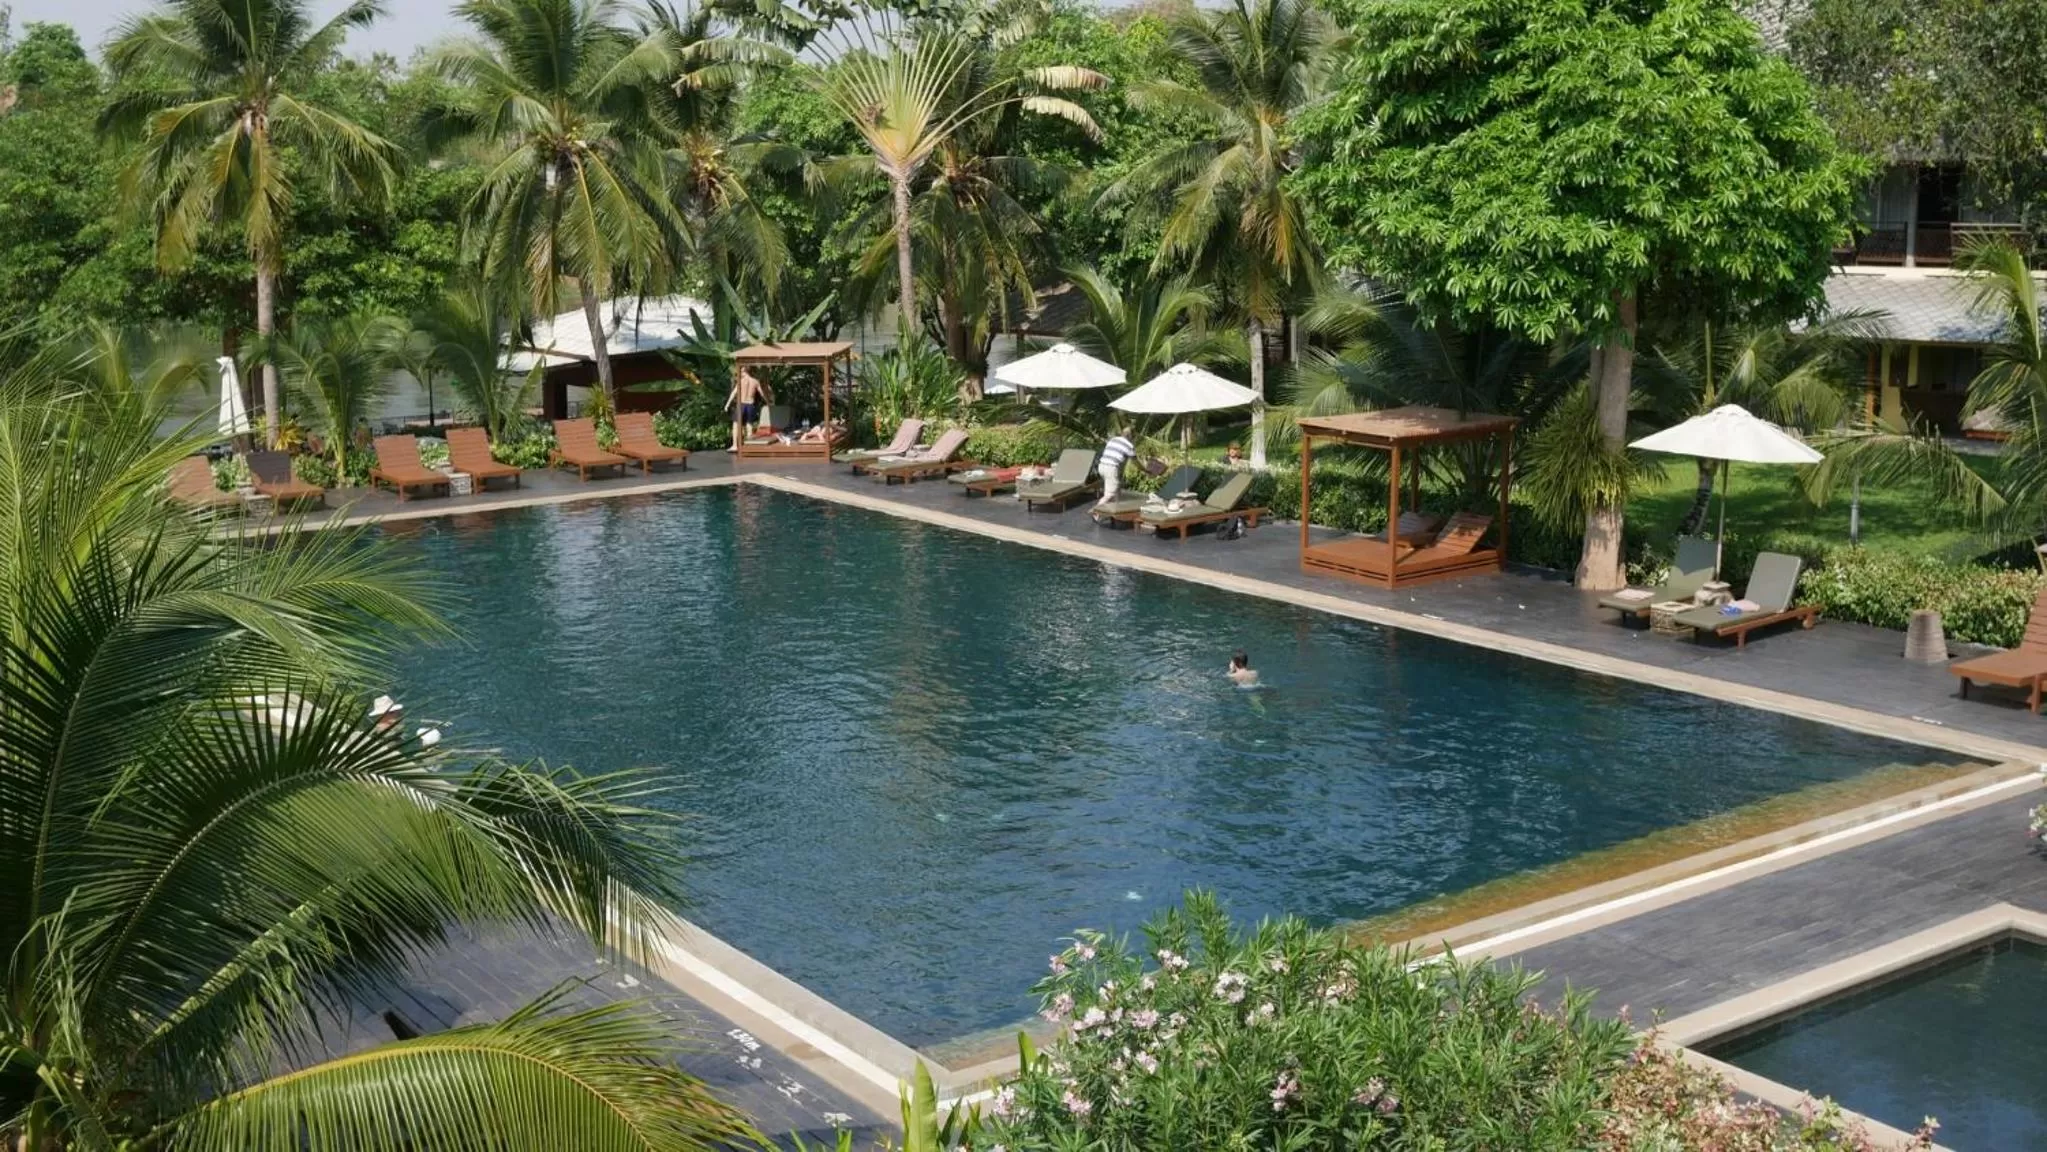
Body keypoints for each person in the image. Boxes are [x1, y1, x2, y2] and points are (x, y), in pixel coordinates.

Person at [726, 367, 772, 451]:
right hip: (751, 405)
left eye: (741, 371)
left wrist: (727, 404)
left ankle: (735, 446)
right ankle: (749, 446)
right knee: (749, 425)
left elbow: (734, 393)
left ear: (744, 371)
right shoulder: (755, 381)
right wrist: (768, 402)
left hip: (741, 404)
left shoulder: (741, 381)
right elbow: (762, 394)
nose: (740, 373)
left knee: (736, 425)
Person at [1096, 424, 1136, 506]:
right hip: (1110, 468)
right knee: (1109, 495)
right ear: (1130, 436)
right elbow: (1136, 462)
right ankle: (1095, 510)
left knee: (1116, 488)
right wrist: (1146, 470)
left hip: (1101, 466)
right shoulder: (1129, 445)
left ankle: (1116, 508)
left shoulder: (1113, 440)